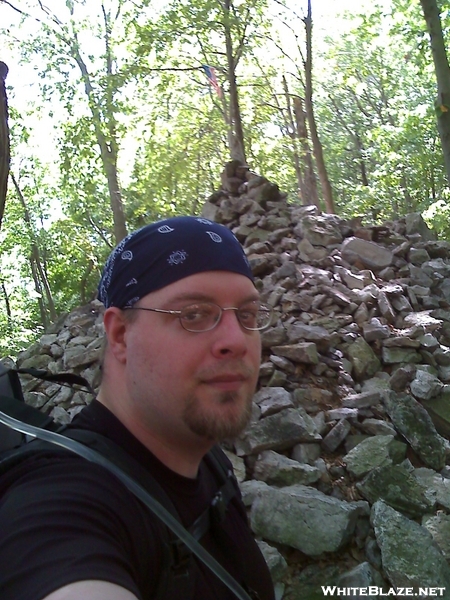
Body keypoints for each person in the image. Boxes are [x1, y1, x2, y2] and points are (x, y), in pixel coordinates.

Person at [0, 216, 276, 600]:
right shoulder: (60, 504)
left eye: (246, 316)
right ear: (119, 335)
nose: (236, 340)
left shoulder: (208, 457)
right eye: (193, 314)